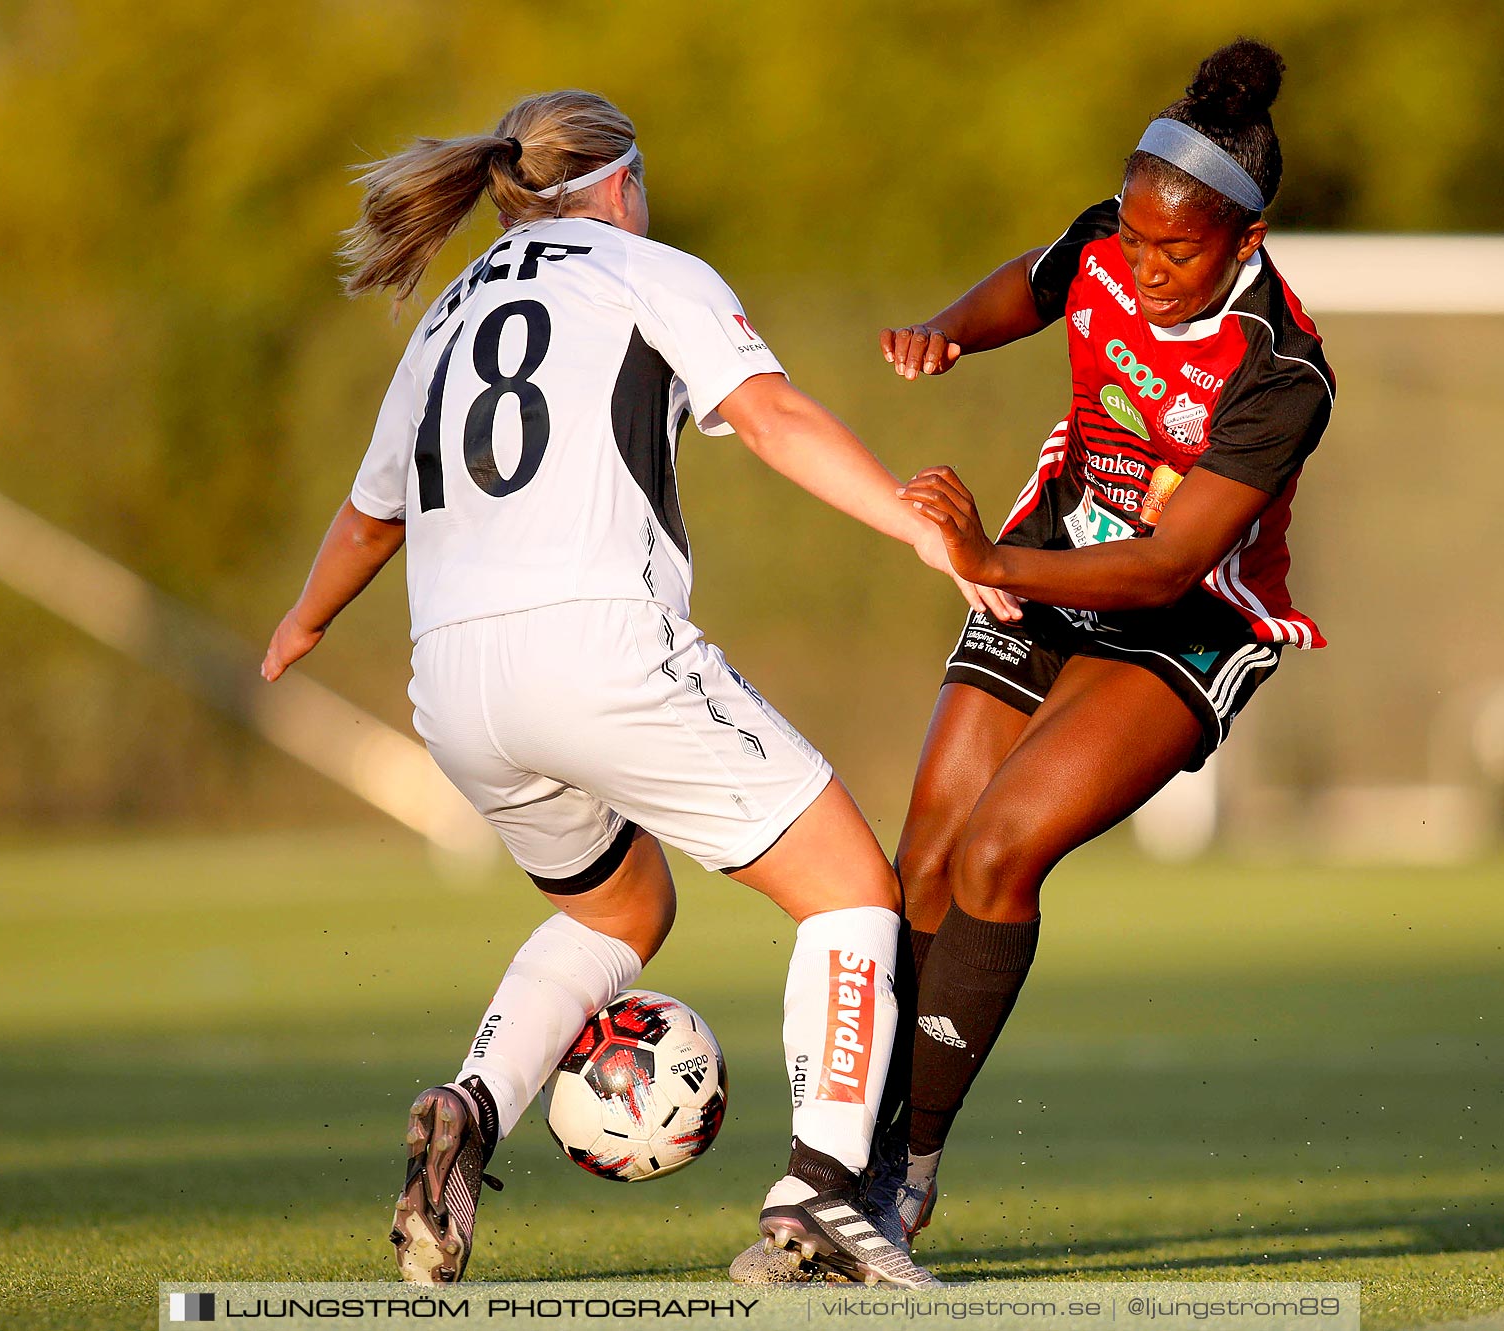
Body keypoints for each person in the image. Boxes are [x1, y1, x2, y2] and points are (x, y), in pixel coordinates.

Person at [260, 90, 1013, 1288]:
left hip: (451, 682)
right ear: (619, 181)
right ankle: (821, 1198)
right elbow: (766, 416)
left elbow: (369, 514)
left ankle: (469, 1110)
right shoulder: (640, 264)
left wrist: (302, 620)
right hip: (599, 648)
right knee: (850, 891)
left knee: (619, 911)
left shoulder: (448, 314)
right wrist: (915, 534)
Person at [860, 37, 1334, 1257]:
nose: (1147, 265)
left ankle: (904, 1180)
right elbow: (1036, 281)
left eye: (1179, 248)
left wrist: (986, 557)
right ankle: (843, 1153)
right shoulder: (1109, 245)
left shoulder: (1282, 372)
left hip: (1184, 623)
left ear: (1248, 238)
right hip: (1052, 560)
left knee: (1002, 848)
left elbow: (1171, 562)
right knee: (920, 860)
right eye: (1135, 238)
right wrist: (949, 332)